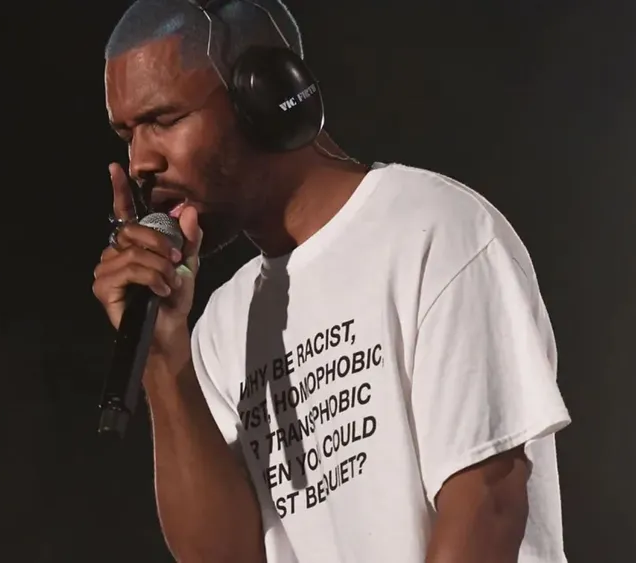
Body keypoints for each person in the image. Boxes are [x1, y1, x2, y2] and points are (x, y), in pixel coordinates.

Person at [91, 0, 571, 561]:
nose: (140, 162)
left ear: (262, 98)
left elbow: (487, 507)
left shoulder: (436, 232)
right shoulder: (223, 324)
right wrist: (163, 358)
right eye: (127, 133)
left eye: (163, 120)